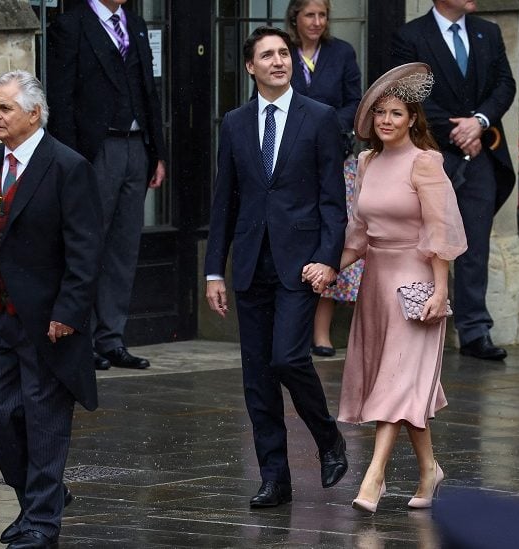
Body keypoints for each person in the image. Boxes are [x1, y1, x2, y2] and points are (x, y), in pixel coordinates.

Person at [204, 26, 349, 509]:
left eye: (284, 53)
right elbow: (224, 201)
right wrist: (213, 272)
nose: (278, 61)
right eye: (267, 55)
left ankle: (328, 439)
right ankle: (274, 478)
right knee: (257, 378)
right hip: (250, 264)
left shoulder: (320, 118)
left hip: (301, 264)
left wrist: (329, 259)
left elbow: (334, 200)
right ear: (251, 67)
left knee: (287, 357)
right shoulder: (236, 122)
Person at [0, 70, 102, 549]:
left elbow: (84, 250)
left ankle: (41, 521)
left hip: (48, 321)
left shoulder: (68, 166)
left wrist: (69, 312)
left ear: (34, 114)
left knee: (44, 421)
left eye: (4, 108)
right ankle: (43, 496)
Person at [326, 62, 467, 513]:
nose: (386, 121)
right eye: (380, 113)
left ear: (412, 120)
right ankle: (430, 469)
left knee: (396, 383)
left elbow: (441, 234)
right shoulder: (366, 163)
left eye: (396, 114)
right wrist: (329, 268)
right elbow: (359, 235)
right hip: (375, 286)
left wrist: (441, 291)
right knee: (399, 385)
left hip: (418, 284)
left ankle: (374, 478)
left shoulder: (425, 164)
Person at [390, 0, 516, 361]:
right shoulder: (411, 37)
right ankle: (419, 321)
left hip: (480, 155)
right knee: (426, 242)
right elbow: (411, 95)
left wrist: (479, 121)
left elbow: (505, 85)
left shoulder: (487, 33)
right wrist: (458, 131)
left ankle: (475, 331)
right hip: (432, 156)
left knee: (476, 242)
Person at [47, 0, 167, 371]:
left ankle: (111, 339)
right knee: (87, 246)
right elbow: (61, 99)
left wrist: (157, 152)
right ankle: (81, 339)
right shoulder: (70, 26)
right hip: (93, 153)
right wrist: (70, 161)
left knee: (123, 248)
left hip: (136, 148)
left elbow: (150, 90)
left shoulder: (137, 24)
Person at [284, 0, 365, 356]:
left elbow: (355, 102)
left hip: (335, 156)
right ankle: (293, 330)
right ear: (295, 18)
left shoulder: (341, 53)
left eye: (322, 16)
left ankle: (322, 333)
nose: (317, 22)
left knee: (332, 235)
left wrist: (323, 124)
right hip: (291, 159)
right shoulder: (282, 52)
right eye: (309, 15)